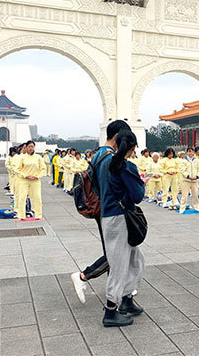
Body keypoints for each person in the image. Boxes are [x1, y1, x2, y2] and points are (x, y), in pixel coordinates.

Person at [71, 120, 131, 302]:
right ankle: (84, 276)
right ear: (117, 137)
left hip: (102, 209)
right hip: (110, 211)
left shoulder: (99, 154)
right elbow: (110, 188)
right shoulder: (108, 157)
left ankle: (118, 293)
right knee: (116, 254)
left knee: (114, 252)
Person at [99, 130, 146, 327]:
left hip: (108, 215)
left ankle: (127, 298)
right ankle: (111, 311)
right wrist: (142, 184)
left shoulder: (104, 162)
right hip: (120, 218)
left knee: (135, 259)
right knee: (119, 264)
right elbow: (137, 196)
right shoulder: (126, 167)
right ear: (134, 147)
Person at [14, 141, 46, 220]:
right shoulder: (22, 157)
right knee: (22, 197)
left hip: (35, 180)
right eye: (29, 147)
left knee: (37, 197)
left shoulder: (38, 157)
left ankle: (38, 214)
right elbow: (16, 169)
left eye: (32, 146)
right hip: (24, 180)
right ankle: (21, 215)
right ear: (26, 148)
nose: (31, 148)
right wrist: (25, 175)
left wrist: (37, 176)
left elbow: (43, 169)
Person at [179, 147, 199, 213]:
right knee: (184, 196)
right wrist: (188, 176)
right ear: (187, 153)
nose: (191, 153)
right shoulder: (184, 161)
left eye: (192, 152)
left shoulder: (197, 161)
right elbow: (182, 170)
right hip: (186, 180)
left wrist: (197, 176)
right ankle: (182, 208)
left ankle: (197, 207)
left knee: (195, 195)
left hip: (194, 180)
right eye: (189, 151)